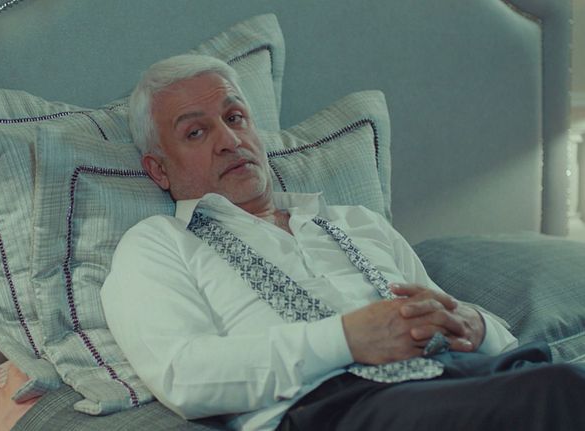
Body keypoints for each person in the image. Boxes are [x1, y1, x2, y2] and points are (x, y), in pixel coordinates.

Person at [100, 54, 585, 431]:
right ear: (158, 169)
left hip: (460, 375)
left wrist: (474, 325)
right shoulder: (157, 244)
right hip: (340, 409)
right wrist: (347, 338)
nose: (229, 140)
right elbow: (185, 376)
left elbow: (462, 321)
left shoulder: (356, 221)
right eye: (196, 131)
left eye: (236, 116)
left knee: (557, 380)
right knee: (558, 390)